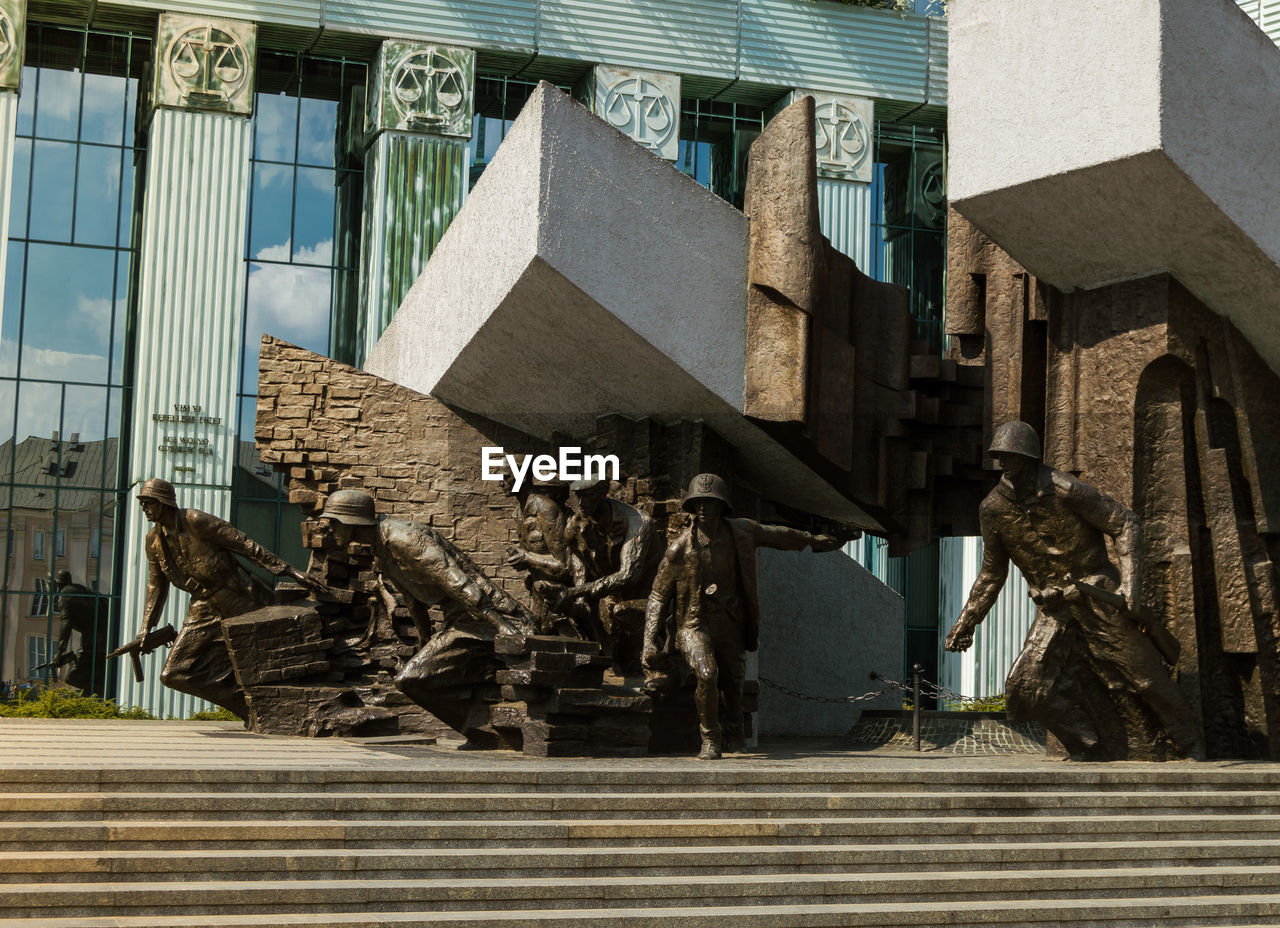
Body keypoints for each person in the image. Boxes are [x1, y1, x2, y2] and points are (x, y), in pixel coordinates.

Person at [944, 421, 1202, 759]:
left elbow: (1125, 523)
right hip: (1055, 608)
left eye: (1011, 457)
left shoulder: (1066, 489)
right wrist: (967, 622)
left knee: (1146, 678)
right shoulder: (992, 509)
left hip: (1096, 593)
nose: (1004, 464)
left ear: (1030, 459)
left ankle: (1191, 744)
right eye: (999, 457)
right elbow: (992, 573)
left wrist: (1130, 586)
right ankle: (1090, 747)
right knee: (1026, 686)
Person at [642, 473, 841, 759]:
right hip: (694, 625)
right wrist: (649, 640)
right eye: (698, 503)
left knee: (733, 687)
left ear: (722, 506)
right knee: (707, 674)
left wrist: (812, 540)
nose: (703, 509)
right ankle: (710, 738)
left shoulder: (741, 532)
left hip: (731, 622)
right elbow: (658, 595)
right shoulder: (680, 549)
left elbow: (777, 535)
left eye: (710, 503)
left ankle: (734, 736)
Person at [320, 489, 534, 747]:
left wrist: (503, 626)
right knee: (412, 679)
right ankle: (486, 734)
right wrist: (424, 641)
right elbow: (413, 600)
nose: (329, 531)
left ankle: (492, 735)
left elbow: (455, 579)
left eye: (333, 523)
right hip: (461, 618)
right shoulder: (381, 548)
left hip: (483, 614)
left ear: (350, 522)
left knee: (411, 679)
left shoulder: (402, 538)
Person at [132, 477, 324, 717]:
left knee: (263, 661)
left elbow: (245, 545)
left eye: (148, 502)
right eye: (142, 503)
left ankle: (271, 707)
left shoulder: (194, 520)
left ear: (164, 502)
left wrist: (289, 571)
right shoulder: (153, 541)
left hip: (239, 601)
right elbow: (155, 587)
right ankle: (249, 707)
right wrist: (145, 628)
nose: (144, 508)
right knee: (173, 674)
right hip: (202, 607)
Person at [52, 570, 109, 697]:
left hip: (95, 632)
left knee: (74, 675)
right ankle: (94, 694)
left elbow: (66, 624)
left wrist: (60, 651)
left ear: (59, 585)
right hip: (105, 630)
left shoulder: (65, 596)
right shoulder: (79, 589)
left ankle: (93, 695)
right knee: (95, 669)